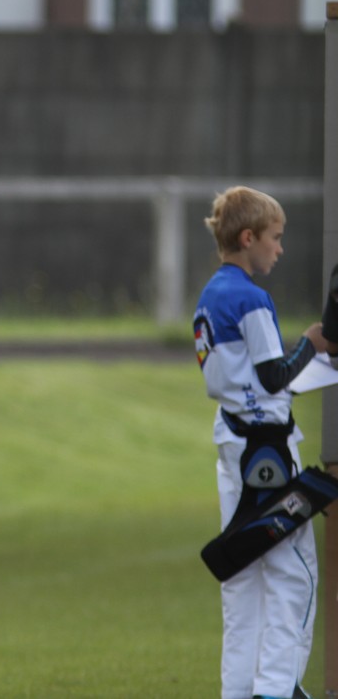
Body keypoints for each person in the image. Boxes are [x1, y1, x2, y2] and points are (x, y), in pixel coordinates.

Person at [193, 186, 330, 699]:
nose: (280, 248)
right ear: (248, 238)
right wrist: (311, 344)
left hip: (232, 440)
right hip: (266, 449)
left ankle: (240, 689)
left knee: (243, 570)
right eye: (275, 238)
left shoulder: (209, 296)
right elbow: (274, 376)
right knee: (294, 572)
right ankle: (275, 689)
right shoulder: (251, 297)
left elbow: (246, 377)